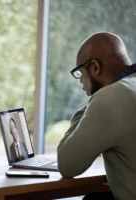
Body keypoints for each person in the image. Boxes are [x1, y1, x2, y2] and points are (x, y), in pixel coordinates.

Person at [57, 32, 136, 200]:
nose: (80, 81)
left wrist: (92, 101)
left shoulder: (110, 97)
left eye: (79, 72)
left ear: (94, 67)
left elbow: (67, 164)